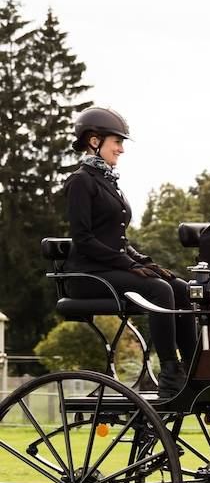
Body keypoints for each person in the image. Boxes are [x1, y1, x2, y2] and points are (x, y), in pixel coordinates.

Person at [64, 107, 196, 397]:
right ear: (95, 141)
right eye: (117, 142)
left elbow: (118, 239)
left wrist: (144, 261)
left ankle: (195, 366)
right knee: (160, 290)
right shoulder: (80, 182)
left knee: (181, 288)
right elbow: (83, 239)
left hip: (109, 267)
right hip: (88, 274)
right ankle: (171, 374)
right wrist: (127, 264)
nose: (121, 149)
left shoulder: (109, 182)